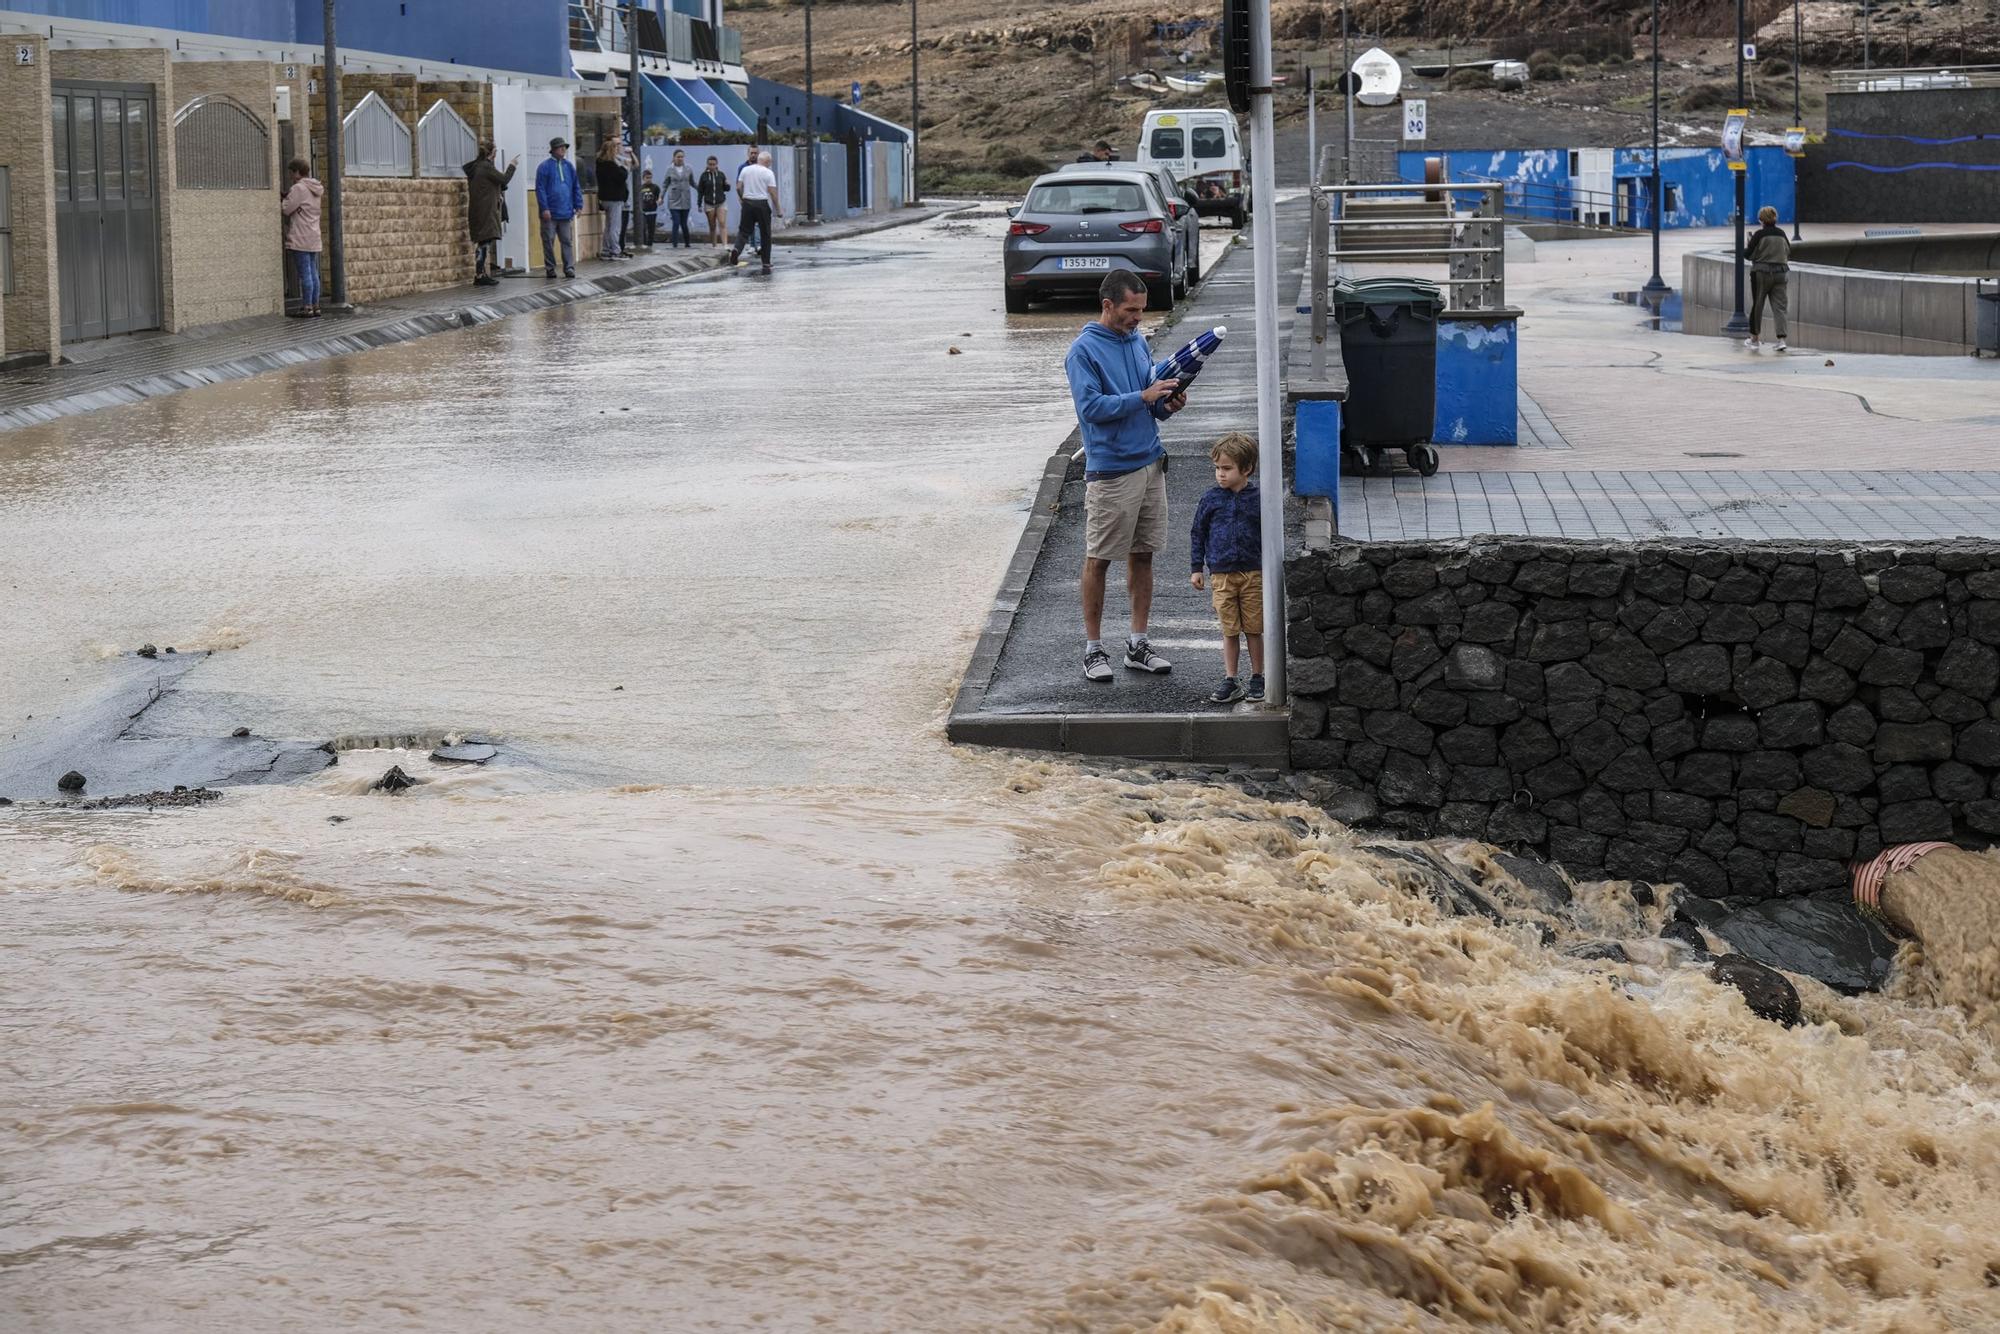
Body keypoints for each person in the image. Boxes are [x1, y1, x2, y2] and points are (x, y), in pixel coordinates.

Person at [1064, 269, 1187, 682]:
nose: (1138, 318)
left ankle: (1137, 644)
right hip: (1111, 470)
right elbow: (1091, 409)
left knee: (1144, 554)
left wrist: (1167, 405)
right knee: (1099, 558)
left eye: (1141, 310)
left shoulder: (1137, 341)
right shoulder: (1082, 352)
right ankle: (1093, 649)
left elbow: (1149, 402)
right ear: (1108, 305)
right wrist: (1143, 397)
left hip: (1150, 462)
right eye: (1131, 310)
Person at [1188, 433, 1265, 704]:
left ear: (1247, 469)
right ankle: (1231, 678)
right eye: (1218, 468)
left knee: (1254, 627)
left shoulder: (1259, 498)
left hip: (1253, 572)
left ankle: (1259, 676)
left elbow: (1269, 532)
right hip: (1221, 574)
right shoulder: (1211, 499)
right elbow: (1198, 532)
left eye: (1227, 468)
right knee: (1229, 628)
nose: (1220, 474)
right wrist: (1197, 567)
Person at [464, 141, 518, 288]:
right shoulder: (486, 167)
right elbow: (504, 179)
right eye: (495, 151)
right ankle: (480, 275)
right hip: (485, 211)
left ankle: (481, 273)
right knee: (484, 243)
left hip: (478, 210)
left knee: (483, 242)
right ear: (492, 153)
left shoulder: (477, 167)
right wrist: (512, 165)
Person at [1744, 205, 1791, 352]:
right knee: (1780, 307)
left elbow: (1748, 254)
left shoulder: (1759, 235)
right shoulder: (1782, 234)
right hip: (1781, 274)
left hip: (1761, 274)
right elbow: (1788, 252)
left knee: (1758, 305)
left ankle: (1755, 339)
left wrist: (1749, 244)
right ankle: (1781, 339)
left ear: (1761, 220)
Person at [280, 158, 324, 318]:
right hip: (313, 235)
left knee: (305, 273)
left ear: (297, 172)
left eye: (292, 172)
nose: (290, 176)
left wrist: (284, 199)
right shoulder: (315, 187)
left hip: (300, 235)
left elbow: (286, 209)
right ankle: (315, 305)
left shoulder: (299, 188)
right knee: (313, 272)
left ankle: (306, 307)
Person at [535, 136, 582, 279]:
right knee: (548, 240)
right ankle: (550, 268)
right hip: (550, 212)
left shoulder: (569, 166)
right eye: (561, 147)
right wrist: (544, 208)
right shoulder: (544, 167)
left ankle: (569, 267)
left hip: (566, 211)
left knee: (567, 241)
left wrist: (578, 204)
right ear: (554, 150)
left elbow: (575, 186)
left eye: (564, 147)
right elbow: (540, 189)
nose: (564, 149)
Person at [731, 149, 782, 275]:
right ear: (767, 161)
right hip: (762, 204)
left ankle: (736, 250)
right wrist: (778, 209)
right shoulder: (768, 173)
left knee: (743, 231)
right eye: (769, 162)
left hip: (747, 203)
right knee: (765, 234)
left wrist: (743, 198)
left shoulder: (745, 170)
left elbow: (738, 187)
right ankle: (766, 261)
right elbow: (773, 193)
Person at [595, 139, 630, 261]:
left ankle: (605, 250)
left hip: (604, 198)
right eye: (615, 148)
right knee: (615, 226)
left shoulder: (600, 164)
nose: (617, 151)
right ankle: (615, 250)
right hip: (615, 198)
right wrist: (624, 166)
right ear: (611, 150)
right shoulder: (612, 165)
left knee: (608, 225)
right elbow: (622, 176)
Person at [662, 148, 695, 250]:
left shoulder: (689, 168)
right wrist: (661, 197)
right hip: (674, 200)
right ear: (674, 157)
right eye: (678, 157)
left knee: (684, 223)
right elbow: (665, 184)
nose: (680, 159)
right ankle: (675, 243)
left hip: (685, 199)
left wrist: (702, 190)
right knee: (676, 222)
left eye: (682, 157)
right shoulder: (669, 169)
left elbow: (692, 182)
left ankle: (687, 243)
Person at [697, 154, 731, 246]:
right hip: (709, 203)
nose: (712, 166)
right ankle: (714, 245)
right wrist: (699, 204)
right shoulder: (704, 176)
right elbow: (700, 191)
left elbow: (726, 189)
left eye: (714, 164)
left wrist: (728, 185)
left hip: (721, 202)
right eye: (710, 164)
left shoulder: (721, 175)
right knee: (712, 226)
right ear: (707, 165)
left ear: (717, 165)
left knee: (722, 222)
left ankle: (725, 245)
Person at [638, 169, 661, 249]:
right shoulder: (640, 188)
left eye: (650, 177)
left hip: (652, 211)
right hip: (643, 211)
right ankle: (644, 243)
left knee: (651, 228)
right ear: (643, 178)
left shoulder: (655, 187)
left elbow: (658, 197)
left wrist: (659, 201)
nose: (649, 179)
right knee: (643, 228)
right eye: (647, 178)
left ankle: (650, 244)